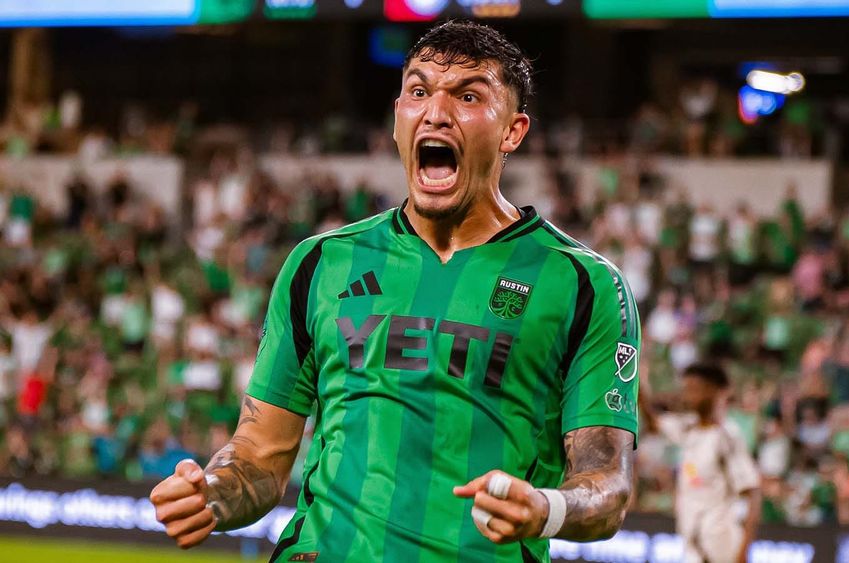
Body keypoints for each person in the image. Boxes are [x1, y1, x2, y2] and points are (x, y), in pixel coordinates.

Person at [149, 20, 641, 563]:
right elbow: (259, 458)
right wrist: (212, 493)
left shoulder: (583, 284)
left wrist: (546, 508)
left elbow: (606, 485)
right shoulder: (319, 264)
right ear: (398, 118)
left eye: (469, 96)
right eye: (419, 91)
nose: (436, 112)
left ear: (513, 131)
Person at [656, 363, 761, 563]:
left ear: (715, 392)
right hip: (694, 541)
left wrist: (743, 551)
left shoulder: (726, 436)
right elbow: (654, 424)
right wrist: (637, 385)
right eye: (686, 389)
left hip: (721, 546)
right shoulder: (689, 429)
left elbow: (752, 492)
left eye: (695, 390)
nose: (688, 396)